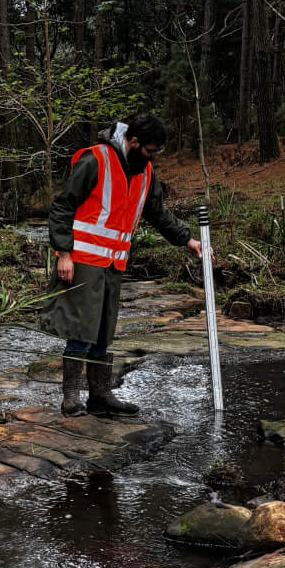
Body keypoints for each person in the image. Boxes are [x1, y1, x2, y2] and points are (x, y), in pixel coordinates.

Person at [42, 114, 202, 417]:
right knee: (81, 329)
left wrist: (187, 240)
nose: (153, 157)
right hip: (83, 259)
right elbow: (63, 206)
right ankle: (71, 399)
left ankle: (100, 396)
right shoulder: (95, 160)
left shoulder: (145, 172)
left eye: (156, 152)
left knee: (104, 330)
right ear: (133, 141)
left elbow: (157, 213)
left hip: (114, 263)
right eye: (150, 151)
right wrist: (63, 253)